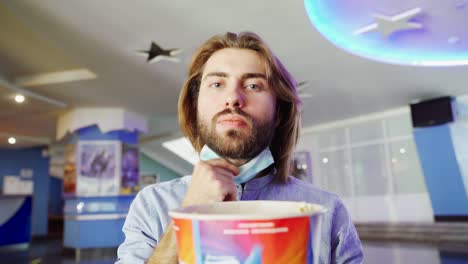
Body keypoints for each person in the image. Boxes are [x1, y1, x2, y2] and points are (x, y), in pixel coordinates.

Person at [116, 32, 363, 264]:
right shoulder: (152, 204)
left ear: (278, 112)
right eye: (217, 84)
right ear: (195, 105)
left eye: (253, 86)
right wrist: (188, 213)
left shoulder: (328, 211)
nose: (233, 97)